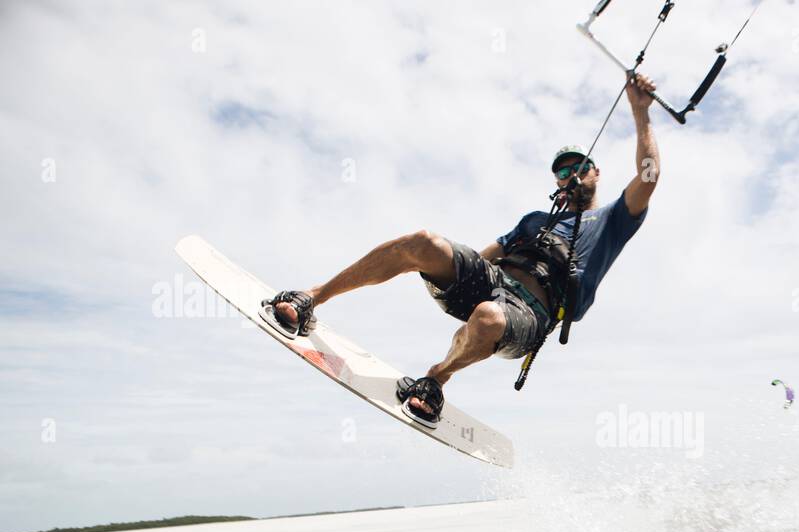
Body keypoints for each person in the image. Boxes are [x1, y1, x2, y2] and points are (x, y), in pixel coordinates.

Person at [263, 74, 661, 424]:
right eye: (562, 170)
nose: (570, 173)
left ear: (596, 172)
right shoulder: (535, 219)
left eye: (580, 166)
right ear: (555, 181)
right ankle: (313, 298)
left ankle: (436, 378)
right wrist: (436, 269)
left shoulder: (611, 222)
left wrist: (640, 112)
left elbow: (649, 174)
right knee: (422, 243)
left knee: (487, 319)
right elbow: (485, 256)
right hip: (493, 282)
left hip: (530, 316)